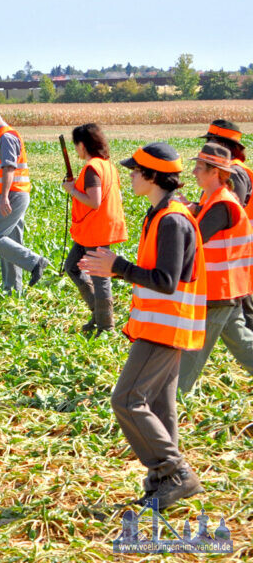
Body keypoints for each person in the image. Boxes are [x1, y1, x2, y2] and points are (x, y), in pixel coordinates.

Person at [80, 142, 206, 510]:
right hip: (161, 326)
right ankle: (163, 480)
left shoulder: (172, 220)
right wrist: (117, 268)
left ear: (152, 176)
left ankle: (175, 472)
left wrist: (117, 267)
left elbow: (166, 280)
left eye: (136, 171)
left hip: (165, 328)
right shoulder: (160, 214)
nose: (131, 175)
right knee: (160, 408)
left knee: (127, 399)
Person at [177, 143, 253, 394]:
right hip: (225, 289)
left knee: (194, 348)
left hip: (218, 291)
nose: (194, 172)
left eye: (199, 168)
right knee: (242, 343)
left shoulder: (221, 204)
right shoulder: (214, 200)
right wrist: (194, 210)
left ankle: (173, 395)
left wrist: (181, 215)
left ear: (215, 173)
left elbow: (196, 239)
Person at [0, 102, 50, 293]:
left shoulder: (6, 137)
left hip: (13, 194)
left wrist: (5, 197)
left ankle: (35, 262)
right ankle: (13, 291)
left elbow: (9, 168)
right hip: (14, 193)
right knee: (10, 242)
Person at [61, 123, 127, 335]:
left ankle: (106, 326)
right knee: (72, 266)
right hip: (91, 230)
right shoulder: (107, 166)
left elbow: (94, 201)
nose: (75, 150)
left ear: (82, 145)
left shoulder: (93, 168)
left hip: (95, 230)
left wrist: (72, 190)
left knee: (100, 278)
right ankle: (98, 315)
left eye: (75, 145)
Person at [200, 120, 253, 330]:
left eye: (211, 141)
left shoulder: (234, 173)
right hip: (234, 250)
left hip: (236, 250)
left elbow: (228, 210)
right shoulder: (233, 171)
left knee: (245, 303)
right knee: (238, 314)